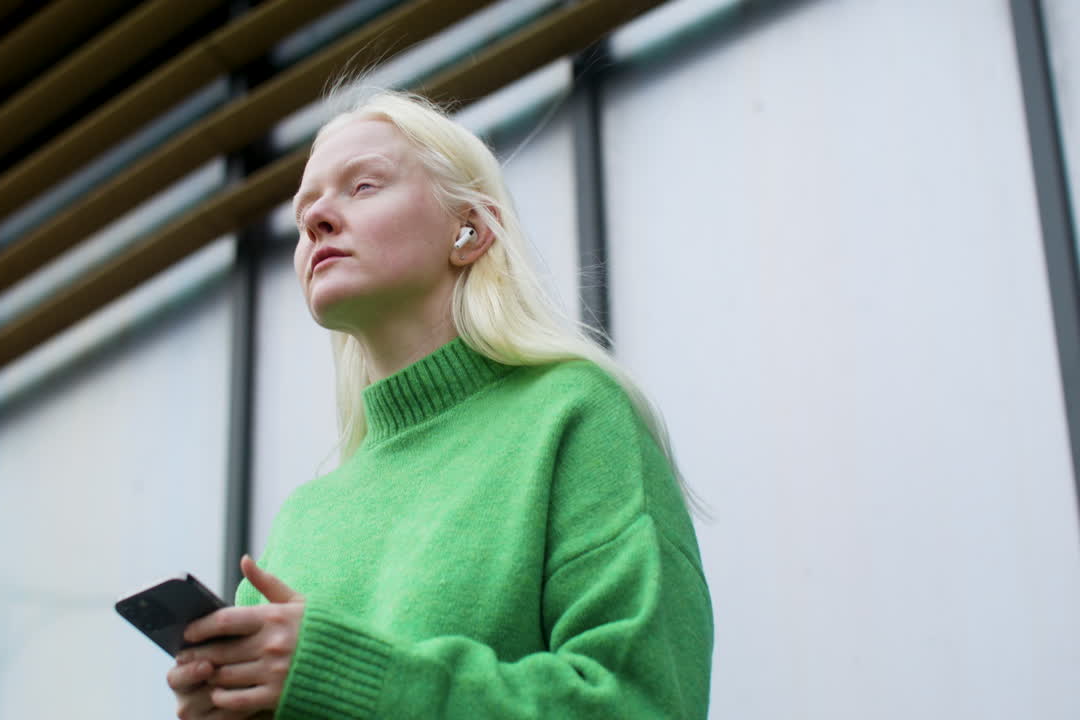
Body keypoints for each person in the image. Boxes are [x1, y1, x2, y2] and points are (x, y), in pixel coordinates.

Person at [166, 89, 713, 719]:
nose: (316, 219)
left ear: (471, 231)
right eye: (303, 212)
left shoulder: (574, 416)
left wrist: (346, 676)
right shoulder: (300, 521)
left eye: (362, 186)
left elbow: (644, 702)